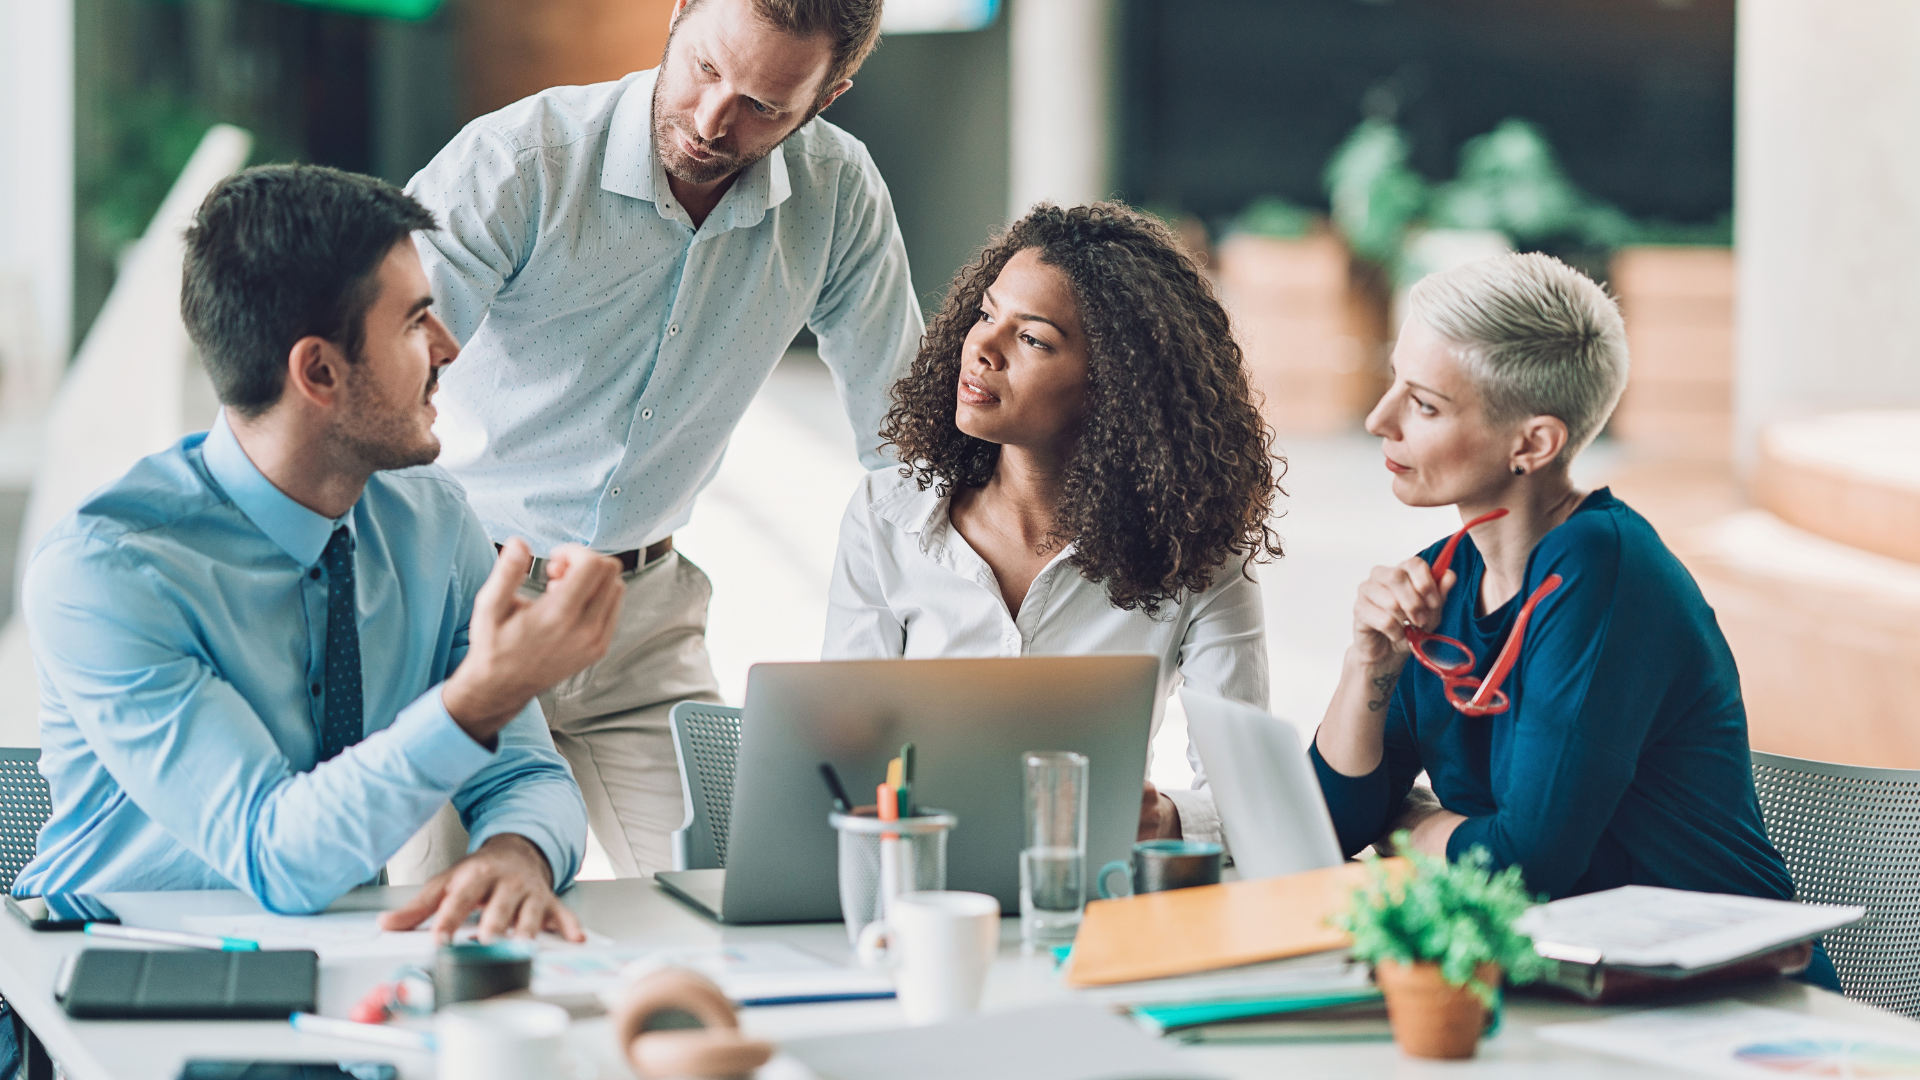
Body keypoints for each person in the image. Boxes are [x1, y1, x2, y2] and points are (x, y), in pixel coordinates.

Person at [12, 165, 624, 943]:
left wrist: (516, 853)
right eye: (415, 321)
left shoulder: (434, 524)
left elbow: (527, 775)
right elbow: (276, 856)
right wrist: (477, 698)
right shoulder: (105, 573)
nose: (450, 346)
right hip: (100, 986)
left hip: (330, 971)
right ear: (320, 372)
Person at [402, 0, 921, 880]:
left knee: (738, 901)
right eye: (708, 70)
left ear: (829, 95)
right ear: (679, 14)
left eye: (766, 106)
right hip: (460, 608)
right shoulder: (517, 163)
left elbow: (905, 442)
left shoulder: (837, 195)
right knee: (445, 927)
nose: (717, 122)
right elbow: (369, 388)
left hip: (641, 626)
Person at [1308, 252, 1832, 983]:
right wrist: (1370, 662)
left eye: (1424, 404)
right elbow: (1328, 826)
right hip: (1573, 981)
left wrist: (1411, 825)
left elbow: (1527, 864)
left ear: (1533, 444)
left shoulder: (1603, 570)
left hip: (1729, 999)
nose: (1377, 419)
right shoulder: (1444, 578)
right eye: (1394, 381)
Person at [825, 202, 1285, 844]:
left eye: (1032, 338)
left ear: (1115, 386)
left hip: (1090, 895)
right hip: (919, 888)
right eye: (987, 314)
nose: (981, 346)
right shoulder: (885, 517)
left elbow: (1251, 790)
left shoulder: (1199, 551)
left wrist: (1172, 819)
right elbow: (842, 762)